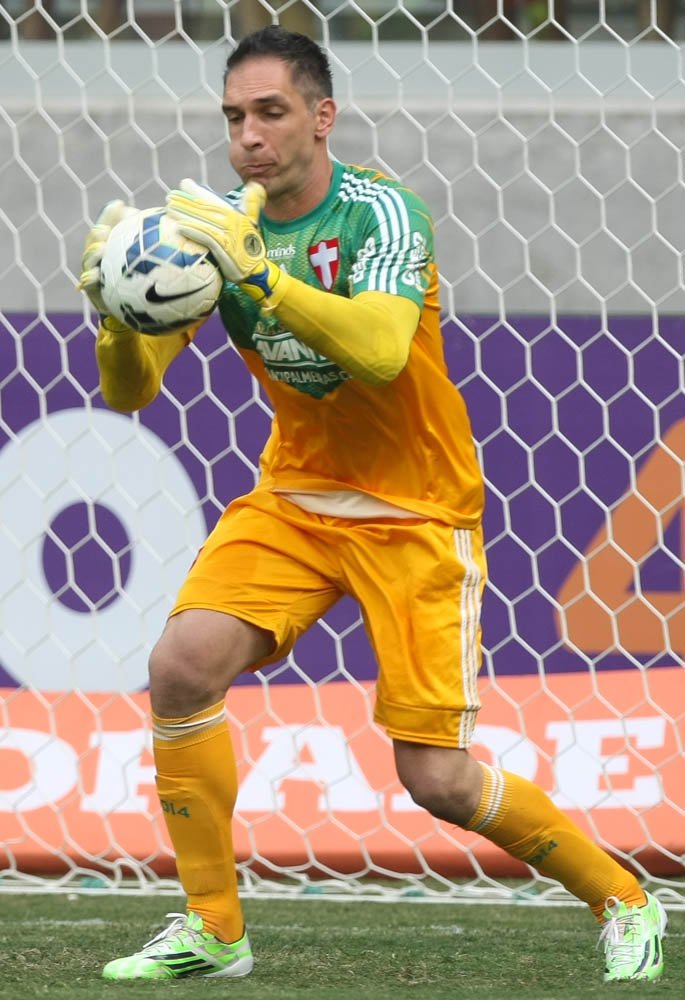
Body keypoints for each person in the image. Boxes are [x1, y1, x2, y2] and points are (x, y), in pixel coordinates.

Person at [78, 25, 667, 985]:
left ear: (322, 117)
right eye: (234, 117)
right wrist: (114, 318)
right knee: (181, 667)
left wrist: (260, 274)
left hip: (416, 515)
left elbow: (383, 350)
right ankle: (214, 928)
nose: (249, 138)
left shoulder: (380, 216)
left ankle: (623, 896)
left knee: (433, 777)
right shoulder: (215, 233)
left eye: (270, 112)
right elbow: (132, 391)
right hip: (295, 501)